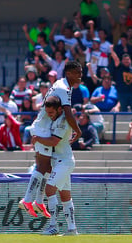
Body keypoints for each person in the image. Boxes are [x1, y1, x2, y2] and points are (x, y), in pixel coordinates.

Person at [19, 61, 82, 218]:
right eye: (78, 73)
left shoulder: (62, 85)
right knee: (42, 166)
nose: (80, 76)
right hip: (43, 128)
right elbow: (67, 112)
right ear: (69, 73)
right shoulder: (63, 88)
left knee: (47, 169)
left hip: (45, 127)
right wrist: (78, 131)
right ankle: (27, 200)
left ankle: (39, 202)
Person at [28, 96, 78, 235]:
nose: (49, 115)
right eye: (47, 112)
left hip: (64, 161)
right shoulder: (53, 119)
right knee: (65, 196)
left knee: (49, 190)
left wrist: (37, 139)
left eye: (51, 112)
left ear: (59, 109)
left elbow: (53, 141)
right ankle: (72, 229)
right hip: (58, 162)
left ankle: (53, 226)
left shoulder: (63, 122)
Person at [110, 47, 132, 111]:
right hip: (122, 93)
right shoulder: (119, 67)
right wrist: (112, 51)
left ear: (130, 60)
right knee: (123, 109)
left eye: (128, 59)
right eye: (125, 59)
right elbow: (116, 59)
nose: (126, 61)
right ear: (122, 61)